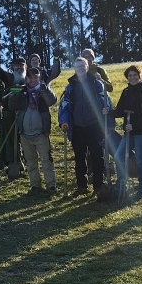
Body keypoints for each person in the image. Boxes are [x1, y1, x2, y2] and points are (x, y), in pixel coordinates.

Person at [59, 57, 108, 200]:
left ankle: (98, 185)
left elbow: (106, 102)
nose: (80, 69)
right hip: (77, 126)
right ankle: (82, 185)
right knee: (79, 157)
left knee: (97, 156)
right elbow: (65, 106)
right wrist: (64, 121)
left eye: (83, 66)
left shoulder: (97, 84)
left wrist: (109, 121)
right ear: (75, 69)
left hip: (94, 125)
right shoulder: (71, 86)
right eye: (78, 67)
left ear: (87, 67)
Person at [8, 67, 58, 196]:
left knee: (46, 160)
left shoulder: (44, 90)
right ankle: (35, 185)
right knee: (30, 162)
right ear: (26, 78)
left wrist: (43, 89)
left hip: (41, 133)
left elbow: (52, 101)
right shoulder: (21, 91)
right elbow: (11, 106)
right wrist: (14, 94)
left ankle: (51, 185)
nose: (32, 80)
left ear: (39, 78)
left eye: (35, 77)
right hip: (25, 134)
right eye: (30, 77)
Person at [111, 65, 142, 199]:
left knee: (140, 159)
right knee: (119, 156)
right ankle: (121, 185)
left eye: (135, 75)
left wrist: (134, 126)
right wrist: (108, 112)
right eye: (130, 75)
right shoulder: (126, 92)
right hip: (129, 131)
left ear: (140, 76)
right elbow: (120, 110)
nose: (132, 78)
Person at [0, 40, 27, 174]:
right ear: (13, 67)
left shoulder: (30, 79)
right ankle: (15, 163)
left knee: (26, 139)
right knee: (11, 140)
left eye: (21, 65)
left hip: (26, 114)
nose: (19, 67)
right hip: (10, 114)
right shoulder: (9, 78)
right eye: (16, 65)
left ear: (25, 66)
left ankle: (27, 161)